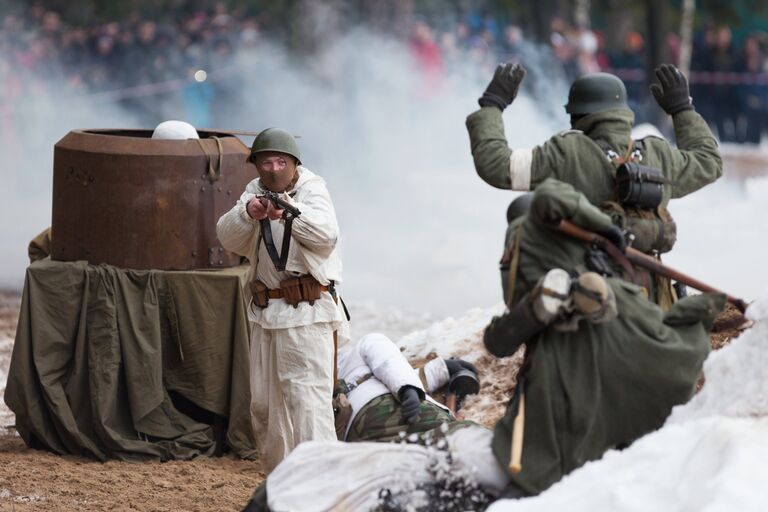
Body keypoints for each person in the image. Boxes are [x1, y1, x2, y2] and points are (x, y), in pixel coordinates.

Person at [242, 179, 724, 510]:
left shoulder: (356, 353)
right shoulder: (627, 307)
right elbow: (465, 353)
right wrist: (445, 372)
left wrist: (425, 383)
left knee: (437, 459)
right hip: (533, 448)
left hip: (524, 458)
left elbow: (465, 349)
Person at [466, 63, 723, 307]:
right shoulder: (658, 154)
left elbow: (497, 166)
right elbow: (709, 161)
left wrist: (492, 105)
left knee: (523, 214)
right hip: (653, 301)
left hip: (588, 299)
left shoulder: (567, 152)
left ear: (579, 116)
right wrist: (682, 109)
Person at [216, 127, 349, 472]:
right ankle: (283, 479)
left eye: (280, 161)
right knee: (264, 405)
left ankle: (321, 482)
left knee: (306, 405)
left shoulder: (311, 188)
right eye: (266, 162)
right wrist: (250, 211)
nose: (273, 168)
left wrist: (288, 209)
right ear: (256, 165)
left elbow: (326, 236)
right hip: (266, 312)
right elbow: (227, 236)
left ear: (293, 163)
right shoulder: (254, 191)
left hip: (305, 313)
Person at [334, 332, 479, 442]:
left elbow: (385, 369)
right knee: (474, 443)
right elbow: (381, 351)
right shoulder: (351, 354)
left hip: (360, 444)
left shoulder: (334, 365)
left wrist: (438, 371)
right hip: (385, 412)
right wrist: (408, 387)